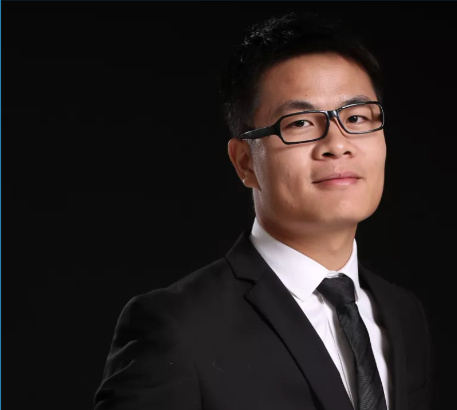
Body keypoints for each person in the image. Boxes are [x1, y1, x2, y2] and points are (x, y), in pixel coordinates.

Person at [94, 12, 431, 410]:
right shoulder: (178, 327)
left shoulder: (402, 314)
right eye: (300, 123)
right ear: (245, 162)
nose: (337, 144)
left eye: (356, 117)